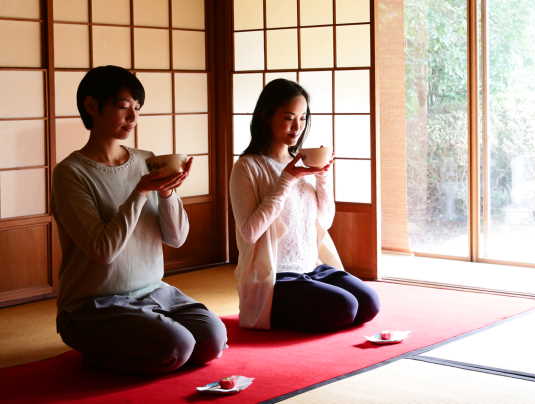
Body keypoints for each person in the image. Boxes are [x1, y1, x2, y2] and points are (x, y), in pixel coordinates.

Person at [51, 65, 227, 374]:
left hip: (153, 292)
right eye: (123, 107)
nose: (133, 118)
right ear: (92, 106)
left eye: (137, 108)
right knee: (178, 347)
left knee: (213, 339)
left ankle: (136, 341)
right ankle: (99, 348)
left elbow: (176, 238)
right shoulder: (71, 173)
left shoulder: (147, 161)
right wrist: (140, 192)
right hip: (93, 306)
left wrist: (168, 194)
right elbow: (103, 251)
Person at [229, 78, 379, 332]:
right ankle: (272, 312)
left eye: (302, 117)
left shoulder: (301, 163)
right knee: (345, 307)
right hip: (276, 277)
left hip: (312, 267)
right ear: (267, 116)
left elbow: (324, 221)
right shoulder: (247, 167)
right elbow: (249, 232)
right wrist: (286, 179)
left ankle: (306, 304)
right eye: (288, 117)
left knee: (368, 303)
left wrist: (321, 177)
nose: (297, 126)